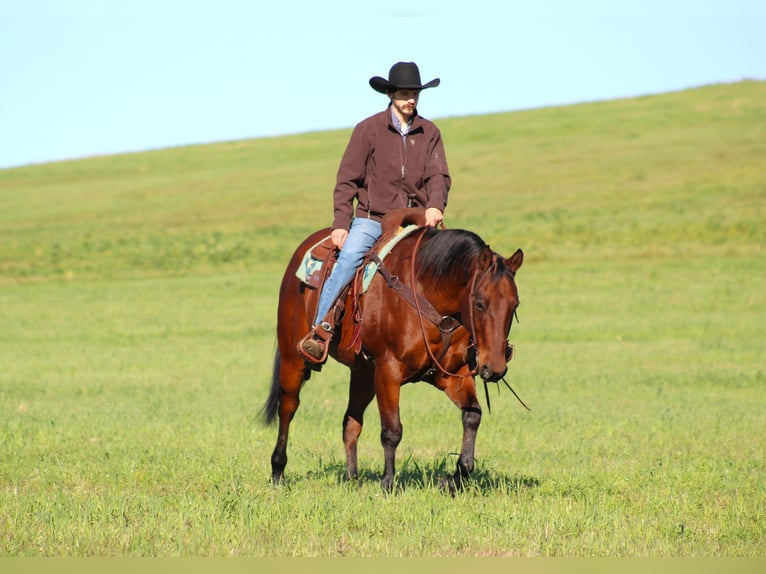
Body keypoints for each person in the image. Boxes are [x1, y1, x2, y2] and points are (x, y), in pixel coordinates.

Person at [300, 61, 452, 362]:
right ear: (391, 95)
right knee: (349, 260)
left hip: (416, 221)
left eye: (415, 93)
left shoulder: (430, 132)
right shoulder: (368, 130)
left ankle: (465, 345)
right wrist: (342, 223)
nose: (411, 99)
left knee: (454, 266)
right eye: (405, 93)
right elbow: (347, 180)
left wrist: (435, 204)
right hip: (373, 220)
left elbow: (439, 176)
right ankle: (320, 330)